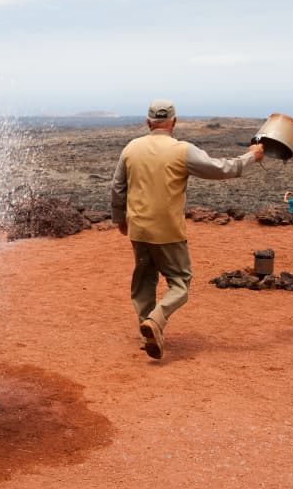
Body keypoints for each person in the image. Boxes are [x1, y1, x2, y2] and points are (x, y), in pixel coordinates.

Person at [111, 99, 264, 359]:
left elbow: (117, 187)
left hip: (138, 229)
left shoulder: (131, 148)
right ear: (174, 122)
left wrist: (120, 219)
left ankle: (146, 331)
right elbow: (221, 169)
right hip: (168, 231)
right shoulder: (182, 150)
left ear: (148, 122)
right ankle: (156, 321)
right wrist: (251, 157)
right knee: (180, 281)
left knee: (144, 281)